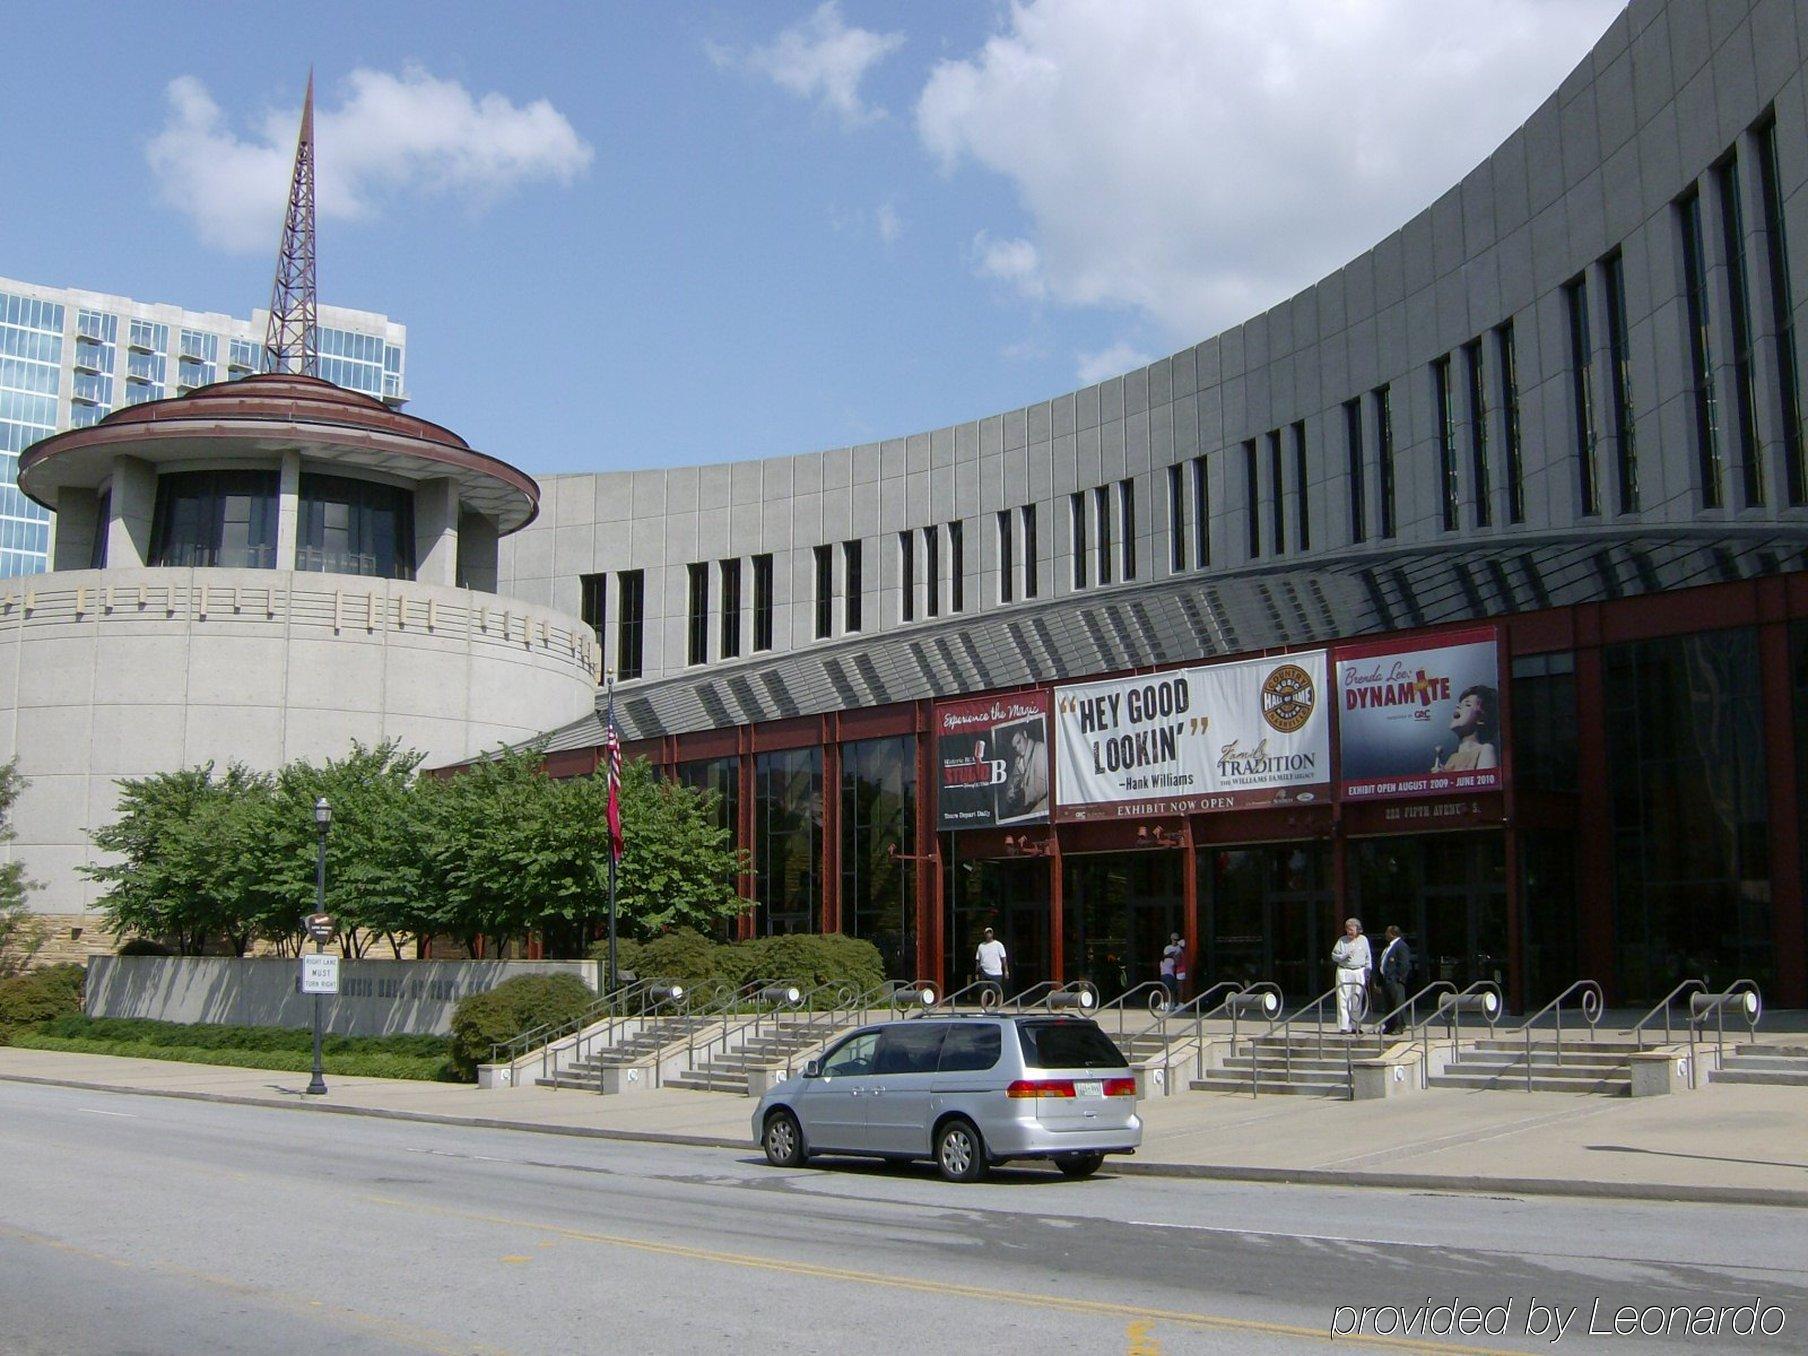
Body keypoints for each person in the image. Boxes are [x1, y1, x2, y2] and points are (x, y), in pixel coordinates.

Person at [1432, 684, 1500, 773]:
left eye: (1467, 704)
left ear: (1481, 718)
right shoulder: (1452, 757)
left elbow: (1485, 784)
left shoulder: (1486, 749)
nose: (1458, 706)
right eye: (1460, 704)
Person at [1330, 917, 1372, 1034]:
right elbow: (1334, 956)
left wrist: (1368, 970)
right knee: (1343, 998)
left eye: (1351, 929)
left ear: (1358, 929)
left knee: (1357, 998)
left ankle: (1356, 1026)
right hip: (1344, 970)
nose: (1349, 932)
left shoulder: (1364, 940)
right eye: (1347, 929)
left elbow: (1368, 957)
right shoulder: (1341, 940)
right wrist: (1344, 955)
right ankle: (1344, 1026)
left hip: (1359, 970)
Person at [1375, 925, 1413, 1034]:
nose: (1385, 935)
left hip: (1394, 981)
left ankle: (1399, 1026)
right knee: (1388, 1004)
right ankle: (1389, 1026)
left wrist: (1398, 978)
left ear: (1393, 934)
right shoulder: (1389, 946)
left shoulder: (1401, 946)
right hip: (1386, 980)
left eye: (1387, 933)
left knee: (1397, 1003)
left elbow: (1404, 964)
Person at [974, 926, 1009, 1005]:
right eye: (987, 933)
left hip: (996, 972)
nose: (988, 934)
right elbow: (978, 961)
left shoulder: (998, 945)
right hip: (984, 971)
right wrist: (976, 973)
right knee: (983, 991)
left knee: (997, 991)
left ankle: (998, 1008)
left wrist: (1006, 970)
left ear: (992, 934)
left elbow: (1004, 958)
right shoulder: (981, 946)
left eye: (990, 933)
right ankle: (983, 1009)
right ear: (985, 934)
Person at [1159, 932, 1186, 1003]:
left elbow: (1179, 958)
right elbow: (1164, 956)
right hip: (1167, 971)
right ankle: (1165, 1003)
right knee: (1165, 988)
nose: (1175, 941)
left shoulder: (1179, 948)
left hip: (1174, 971)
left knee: (1173, 988)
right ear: (1171, 939)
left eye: (1177, 939)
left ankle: (1173, 1003)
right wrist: (1172, 955)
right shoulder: (1167, 948)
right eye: (1174, 939)